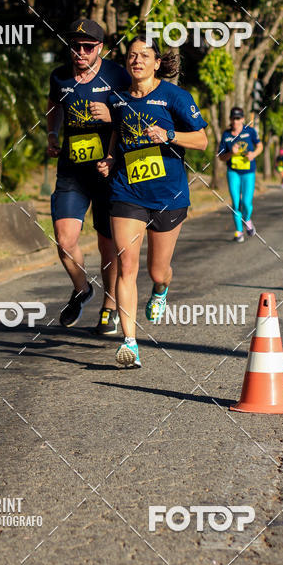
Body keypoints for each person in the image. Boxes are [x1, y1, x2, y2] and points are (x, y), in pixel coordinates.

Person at [97, 35, 208, 368]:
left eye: (145, 55)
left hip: (167, 195)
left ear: (157, 62)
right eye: (132, 55)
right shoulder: (117, 99)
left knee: (157, 270)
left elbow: (202, 140)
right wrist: (111, 157)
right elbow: (118, 132)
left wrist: (169, 135)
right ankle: (129, 342)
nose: (137, 60)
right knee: (125, 265)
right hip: (126, 192)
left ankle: (161, 289)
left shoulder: (175, 96)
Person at [47, 19, 131, 334]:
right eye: (74, 46)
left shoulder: (117, 75)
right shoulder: (59, 75)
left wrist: (112, 115)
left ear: (100, 48)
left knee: (107, 245)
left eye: (87, 47)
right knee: (65, 239)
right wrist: (52, 133)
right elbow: (54, 104)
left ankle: (109, 307)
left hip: (108, 169)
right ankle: (83, 289)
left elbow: (136, 108)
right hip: (72, 168)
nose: (79, 52)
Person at [218, 107, 263, 242]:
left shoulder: (250, 131)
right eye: (233, 118)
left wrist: (253, 154)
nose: (235, 121)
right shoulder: (226, 135)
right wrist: (231, 153)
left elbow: (260, 146)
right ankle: (239, 231)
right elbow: (221, 157)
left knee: (246, 202)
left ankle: (247, 219)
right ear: (230, 119)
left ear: (243, 119)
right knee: (236, 202)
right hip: (233, 172)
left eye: (238, 118)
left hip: (248, 172)